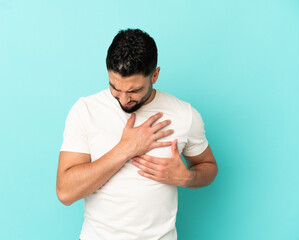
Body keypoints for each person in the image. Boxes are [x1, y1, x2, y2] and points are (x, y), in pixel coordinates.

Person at [56, 28, 218, 240]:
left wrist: (188, 177)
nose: (123, 99)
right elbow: (65, 192)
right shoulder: (86, 110)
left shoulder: (184, 115)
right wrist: (125, 149)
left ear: (155, 75)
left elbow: (209, 167)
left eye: (133, 91)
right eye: (114, 87)